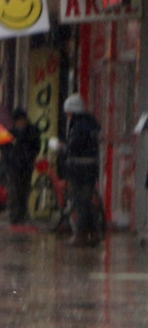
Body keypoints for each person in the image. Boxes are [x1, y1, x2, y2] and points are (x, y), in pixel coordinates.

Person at [60, 93, 102, 246]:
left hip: (79, 171)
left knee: (81, 201)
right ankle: (93, 232)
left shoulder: (78, 127)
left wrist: (62, 148)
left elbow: (73, 148)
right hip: (90, 169)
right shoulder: (90, 124)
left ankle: (81, 234)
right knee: (86, 200)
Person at [2, 109, 41, 225]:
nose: (20, 123)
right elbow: (4, 148)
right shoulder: (10, 133)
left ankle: (22, 214)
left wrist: (29, 156)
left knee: (24, 190)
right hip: (13, 166)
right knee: (14, 191)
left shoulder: (32, 131)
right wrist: (9, 159)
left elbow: (36, 146)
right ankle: (15, 216)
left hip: (26, 165)